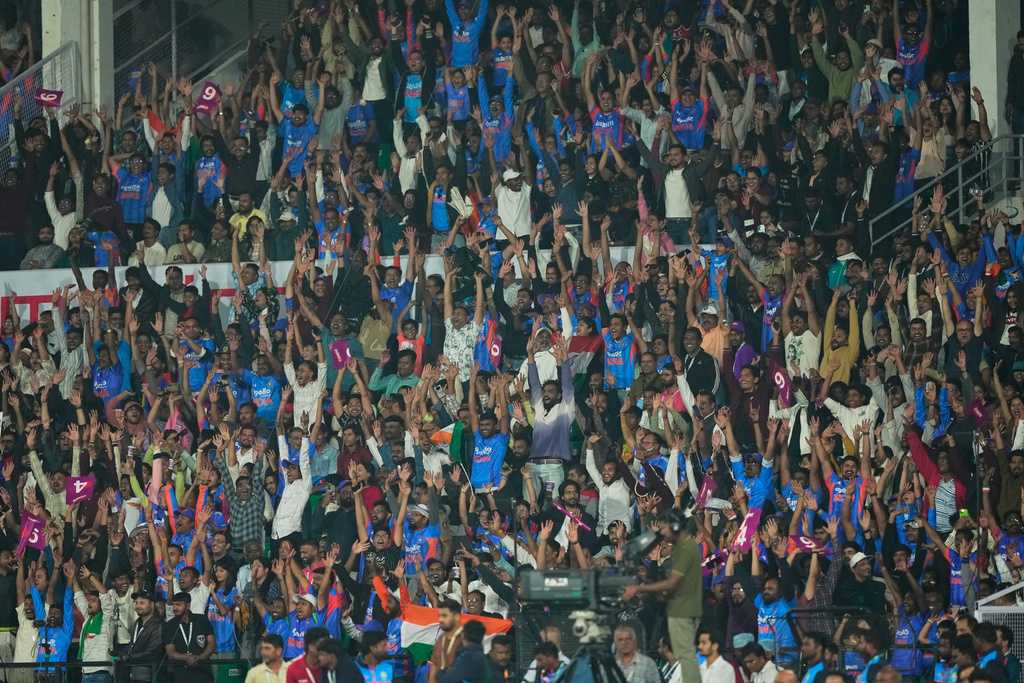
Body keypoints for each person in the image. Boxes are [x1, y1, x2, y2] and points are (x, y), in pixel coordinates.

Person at [163, 592, 216, 683]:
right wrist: (186, 658)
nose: (175, 608)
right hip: (181, 675)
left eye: (178, 605)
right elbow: (171, 652)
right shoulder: (169, 625)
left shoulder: (202, 620)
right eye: (174, 605)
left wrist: (200, 658)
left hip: (203, 673)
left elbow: (212, 644)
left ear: (188, 605)